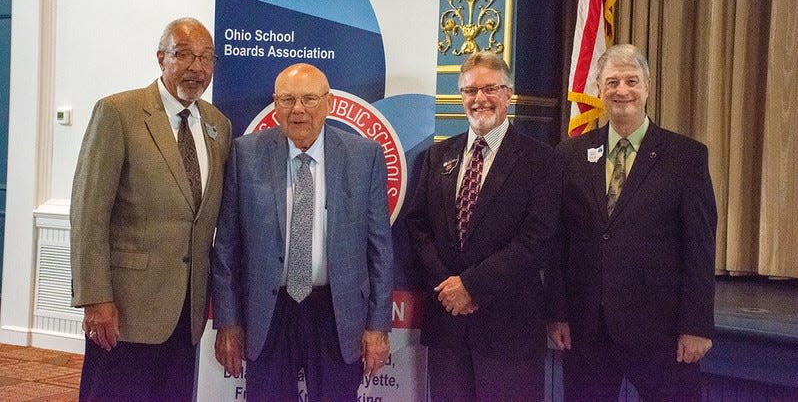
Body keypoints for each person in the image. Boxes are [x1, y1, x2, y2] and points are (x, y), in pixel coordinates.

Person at [70, 17, 231, 401]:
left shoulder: (217, 125)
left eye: (206, 58)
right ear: (161, 58)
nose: (197, 67)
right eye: (185, 55)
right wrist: (95, 298)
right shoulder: (118, 113)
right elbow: (88, 213)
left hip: (186, 311)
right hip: (125, 310)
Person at [212, 63, 393, 402]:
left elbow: (379, 250)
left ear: (329, 103)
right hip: (267, 313)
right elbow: (226, 247)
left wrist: (378, 326)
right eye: (287, 99)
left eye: (309, 98)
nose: (298, 109)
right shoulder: (245, 153)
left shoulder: (364, 156)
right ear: (275, 104)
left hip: (337, 315)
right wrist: (228, 321)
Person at [547, 44, 717, 401]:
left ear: (648, 87)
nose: (621, 90)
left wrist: (696, 325)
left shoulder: (686, 156)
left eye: (631, 81)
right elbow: (558, 242)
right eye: (612, 82)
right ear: (598, 88)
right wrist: (558, 313)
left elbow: (700, 247)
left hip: (664, 333)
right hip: (587, 329)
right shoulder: (570, 155)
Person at [405, 52, 559, 401]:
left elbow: (536, 239)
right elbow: (418, 227)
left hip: (509, 329)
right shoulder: (436, 157)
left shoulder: (542, 160)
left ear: (509, 94)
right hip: (448, 327)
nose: (480, 99)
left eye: (490, 88)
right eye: (470, 90)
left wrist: (471, 286)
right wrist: (449, 288)